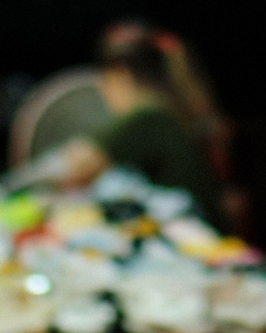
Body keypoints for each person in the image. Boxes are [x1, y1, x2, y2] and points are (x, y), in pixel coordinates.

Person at [50, 24, 226, 225]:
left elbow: (75, 171)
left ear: (121, 73)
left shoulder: (147, 116)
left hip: (201, 233)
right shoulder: (169, 107)